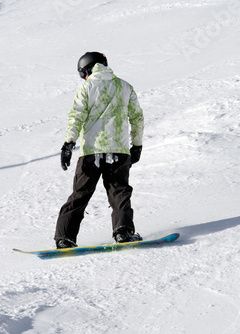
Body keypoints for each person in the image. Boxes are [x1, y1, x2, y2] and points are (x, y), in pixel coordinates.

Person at [54, 51, 144, 249]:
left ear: (88, 69)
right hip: (118, 152)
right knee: (119, 193)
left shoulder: (87, 87)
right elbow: (137, 117)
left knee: (80, 194)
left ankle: (64, 237)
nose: (83, 77)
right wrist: (137, 145)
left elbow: (76, 116)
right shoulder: (124, 86)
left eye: (82, 73)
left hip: (90, 153)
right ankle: (123, 231)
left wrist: (69, 143)